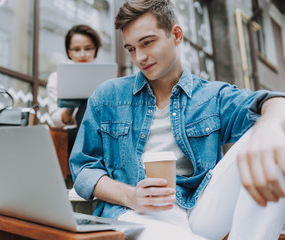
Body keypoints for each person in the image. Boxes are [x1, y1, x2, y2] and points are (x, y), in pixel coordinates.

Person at [69, 0, 285, 239]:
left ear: (176, 34)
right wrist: (131, 196)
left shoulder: (211, 96)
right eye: (131, 48)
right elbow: (84, 169)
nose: (139, 57)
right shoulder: (107, 97)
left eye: (147, 42)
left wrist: (269, 126)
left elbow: (274, 101)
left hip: (198, 210)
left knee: (276, 131)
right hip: (132, 212)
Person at [47, 24, 102, 151]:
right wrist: (70, 107)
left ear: (95, 50)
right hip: (73, 135)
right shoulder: (57, 78)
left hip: (102, 132)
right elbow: (56, 120)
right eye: (76, 50)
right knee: (85, 104)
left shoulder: (105, 79)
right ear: (69, 52)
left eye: (88, 48)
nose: (82, 54)